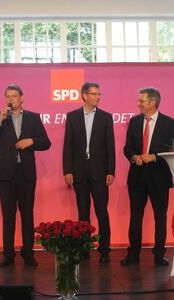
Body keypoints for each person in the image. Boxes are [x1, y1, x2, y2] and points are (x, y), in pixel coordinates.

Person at [0, 84, 51, 267]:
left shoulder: (33, 118)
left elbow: (46, 142)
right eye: (8, 96)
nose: (11, 99)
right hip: (6, 175)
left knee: (27, 215)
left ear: (22, 98)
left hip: (26, 173)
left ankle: (28, 253)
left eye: (14, 96)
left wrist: (32, 141)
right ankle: (8, 254)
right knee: (8, 215)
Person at [121, 87, 174, 266]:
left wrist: (154, 156)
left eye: (142, 101)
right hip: (137, 176)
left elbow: (173, 150)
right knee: (135, 216)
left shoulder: (169, 123)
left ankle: (159, 254)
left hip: (159, 177)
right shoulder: (134, 121)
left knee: (160, 217)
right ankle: (133, 253)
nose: (138, 103)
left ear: (153, 102)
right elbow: (127, 147)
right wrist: (134, 157)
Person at [63, 82, 115, 264]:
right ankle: (84, 249)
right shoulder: (72, 117)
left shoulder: (106, 117)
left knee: (102, 212)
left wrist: (111, 171)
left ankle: (105, 250)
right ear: (84, 95)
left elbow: (110, 147)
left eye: (99, 94)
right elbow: (67, 146)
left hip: (100, 172)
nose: (98, 97)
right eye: (94, 94)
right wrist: (67, 170)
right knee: (83, 213)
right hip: (79, 172)